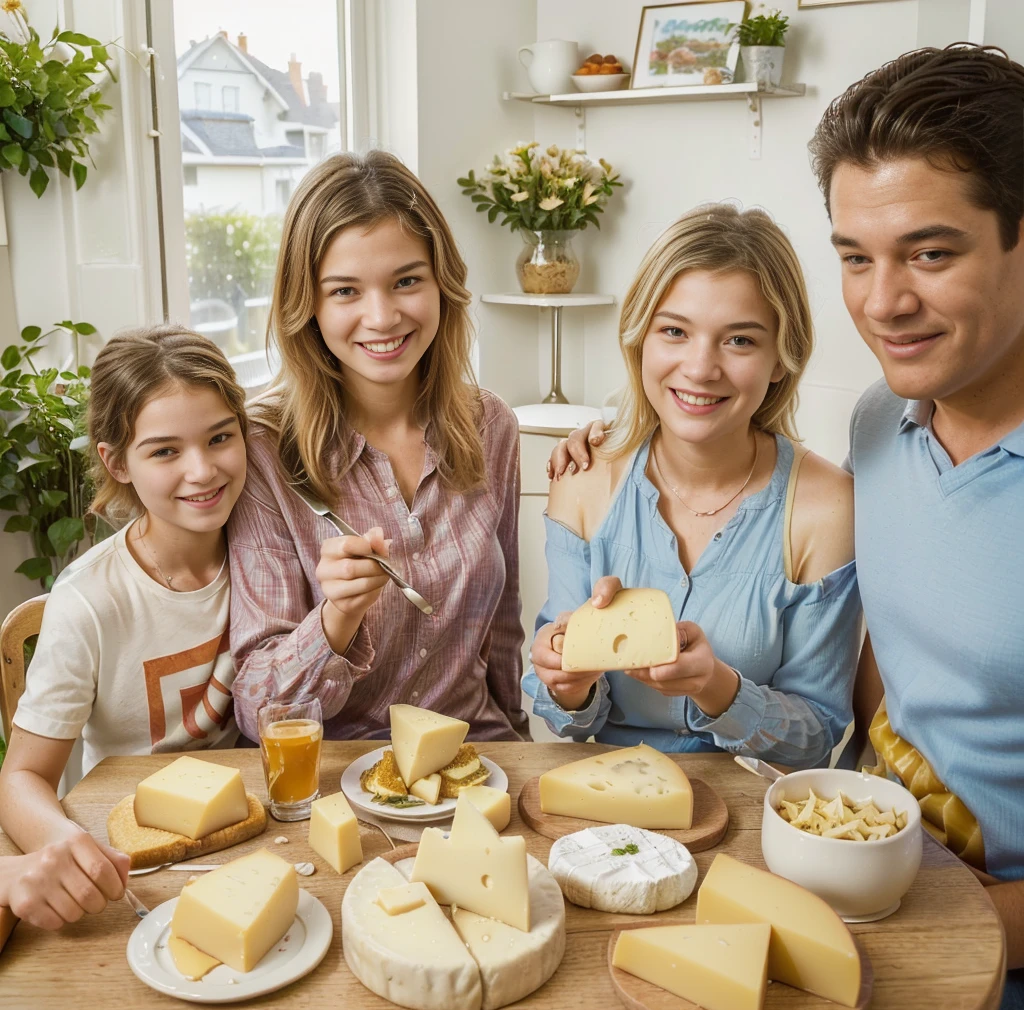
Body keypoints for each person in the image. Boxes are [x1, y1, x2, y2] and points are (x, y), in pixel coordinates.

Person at [553, 44, 1024, 1010]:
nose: (884, 301)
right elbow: (890, 673)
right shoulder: (877, 427)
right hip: (847, 857)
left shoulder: (824, 484)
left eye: (930, 253)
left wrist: (971, 918)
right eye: (855, 256)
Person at [523, 204, 860, 767]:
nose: (700, 368)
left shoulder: (826, 508)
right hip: (609, 804)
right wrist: (565, 681)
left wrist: (719, 690)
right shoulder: (583, 478)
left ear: (781, 358)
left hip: (755, 812)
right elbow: (558, 714)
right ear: (640, 340)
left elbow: (819, 733)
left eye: (740, 341)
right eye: (675, 331)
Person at [228, 151, 529, 744]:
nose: (382, 316)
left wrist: (518, 750)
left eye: (407, 281)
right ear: (306, 305)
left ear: (443, 283)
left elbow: (503, 631)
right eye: (345, 290)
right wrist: (336, 618)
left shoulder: (491, 425)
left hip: (475, 760)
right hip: (337, 783)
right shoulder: (262, 448)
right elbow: (257, 709)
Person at [0, 324, 249, 930]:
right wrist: (63, 842)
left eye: (221, 437)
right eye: (165, 451)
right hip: (134, 862)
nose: (203, 471)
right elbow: (24, 775)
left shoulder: (267, 551)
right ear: (117, 462)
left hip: (245, 833)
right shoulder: (88, 601)